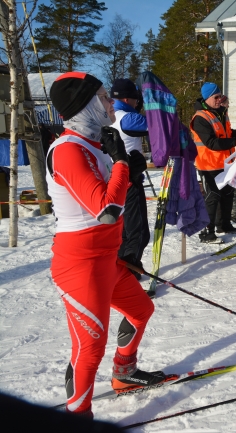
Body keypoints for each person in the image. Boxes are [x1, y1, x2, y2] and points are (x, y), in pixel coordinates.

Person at [48, 72, 168, 418]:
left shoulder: (91, 144)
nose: (108, 103)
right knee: (89, 346)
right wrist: (119, 163)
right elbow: (104, 209)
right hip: (80, 264)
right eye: (101, 97)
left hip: (106, 257)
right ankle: (79, 415)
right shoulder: (68, 150)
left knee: (141, 310)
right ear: (83, 105)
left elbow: (113, 198)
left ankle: (124, 373)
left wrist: (127, 171)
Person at [190, 82, 236, 243]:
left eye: (220, 96)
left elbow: (224, 132)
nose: (220, 99)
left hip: (225, 163)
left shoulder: (219, 113)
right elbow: (211, 142)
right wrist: (234, 142)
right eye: (216, 97)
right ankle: (207, 232)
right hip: (207, 165)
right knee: (212, 196)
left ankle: (224, 225)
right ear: (207, 98)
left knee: (227, 194)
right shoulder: (200, 118)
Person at [110, 78, 149, 280]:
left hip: (114, 181)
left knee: (124, 232)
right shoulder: (127, 118)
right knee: (139, 232)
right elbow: (158, 126)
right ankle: (128, 275)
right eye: (135, 99)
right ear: (127, 98)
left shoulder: (111, 114)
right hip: (129, 181)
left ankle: (121, 271)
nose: (137, 103)